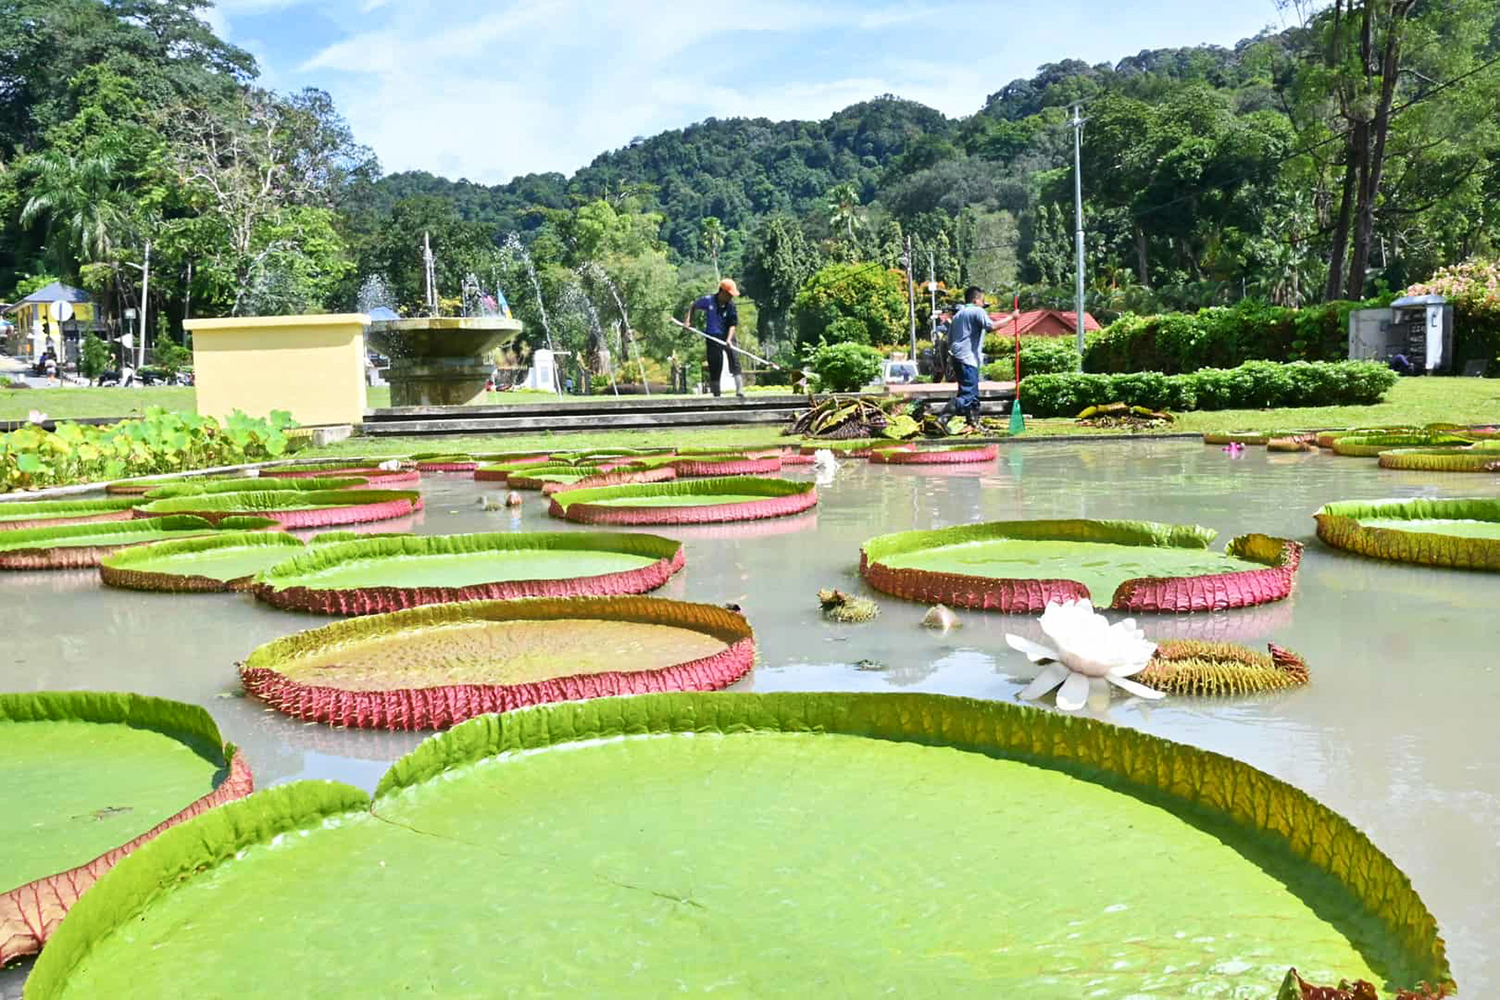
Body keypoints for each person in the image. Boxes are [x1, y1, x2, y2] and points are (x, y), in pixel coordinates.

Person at [941, 287, 1008, 421]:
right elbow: (991, 327)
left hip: (958, 359)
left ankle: (973, 423)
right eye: (983, 301)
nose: (984, 304)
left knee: (972, 395)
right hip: (967, 359)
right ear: (976, 300)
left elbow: (949, 340)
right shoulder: (977, 310)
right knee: (968, 396)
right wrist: (1012, 317)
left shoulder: (958, 315)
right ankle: (943, 417)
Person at [685, 278, 744, 398]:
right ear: (722, 291)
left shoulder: (731, 306)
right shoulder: (709, 301)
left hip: (729, 336)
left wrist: (728, 339)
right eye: (729, 294)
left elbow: (733, 324)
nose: (731, 297)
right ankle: (716, 395)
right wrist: (687, 321)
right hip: (712, 337)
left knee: (735, 361)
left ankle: (739, 391)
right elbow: (693, 306)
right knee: (715, 366)